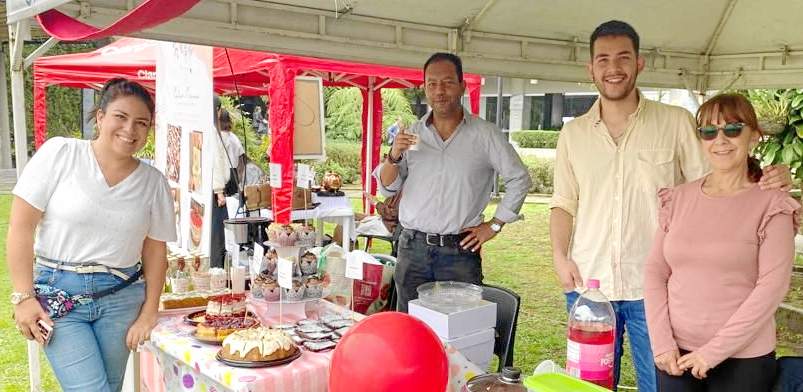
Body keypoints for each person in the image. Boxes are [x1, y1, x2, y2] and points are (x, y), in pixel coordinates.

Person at [549, 20, 792, 391]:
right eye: (603, 60)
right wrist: (559, 256)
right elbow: (563, 202)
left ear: (639, 63)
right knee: (588, 386)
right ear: (590, 68)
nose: (613, 68)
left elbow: (719, 181)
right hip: (589, 284)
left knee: (656, 384)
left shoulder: (675, 123)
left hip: (658, 295)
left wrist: (771, 184)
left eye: (623, 58)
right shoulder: (573, 133)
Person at [7, 78, 176, 391]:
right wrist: (23, 297)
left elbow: (155, 253)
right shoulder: (61, 153)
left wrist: (149, 312)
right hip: (58, 295)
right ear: (100, 117)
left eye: (141, 123)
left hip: (122, 296)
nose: (130, 130)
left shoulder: (153, 182)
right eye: (120, 117)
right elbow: (21, 227)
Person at [643, 93, 798, 391]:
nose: (720, 139)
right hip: (676, 356)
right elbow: (655, 271)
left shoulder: (773, 204)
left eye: (733, 129)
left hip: (745, 361)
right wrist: (661, 342)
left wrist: (712, 352)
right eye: (709, 131)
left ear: (754, 136)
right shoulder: (678, 198)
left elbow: (771, 287)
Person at [375, 52, 531, 312]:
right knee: (411, 330)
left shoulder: (485, 134)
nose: (439, 91)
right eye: (432, 84)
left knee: (460, 331)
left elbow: (519, 178)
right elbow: (388, 187)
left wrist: (494, 226)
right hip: (412, 247)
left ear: (462, 86)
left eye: (447, 82)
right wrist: (393, 155)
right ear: (425, 88)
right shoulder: (411, 134)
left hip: (459, 251)